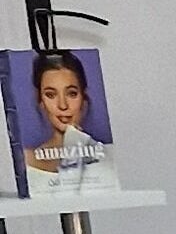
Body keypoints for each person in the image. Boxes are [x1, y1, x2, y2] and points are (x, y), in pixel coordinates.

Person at [22, 52, 118, 194]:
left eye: (72, 93)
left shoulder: (107, 157)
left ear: (83, 98)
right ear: (40, 102)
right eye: (51, 95)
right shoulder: (25, 161)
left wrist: (75, 140)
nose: (62, 105)